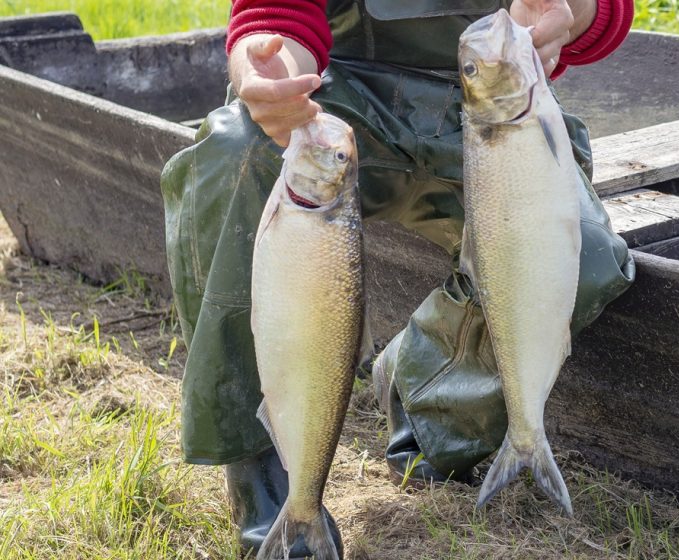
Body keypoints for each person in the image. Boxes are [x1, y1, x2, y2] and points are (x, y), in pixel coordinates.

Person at [160, 0, 636, 557]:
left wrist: (572, 12)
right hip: (337, 103)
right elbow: (277, 14)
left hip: (492, 110)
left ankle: (425, 402)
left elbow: (606, 14)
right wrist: (270, 72)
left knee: (589, 260)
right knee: (235, 152)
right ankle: (269, 485)